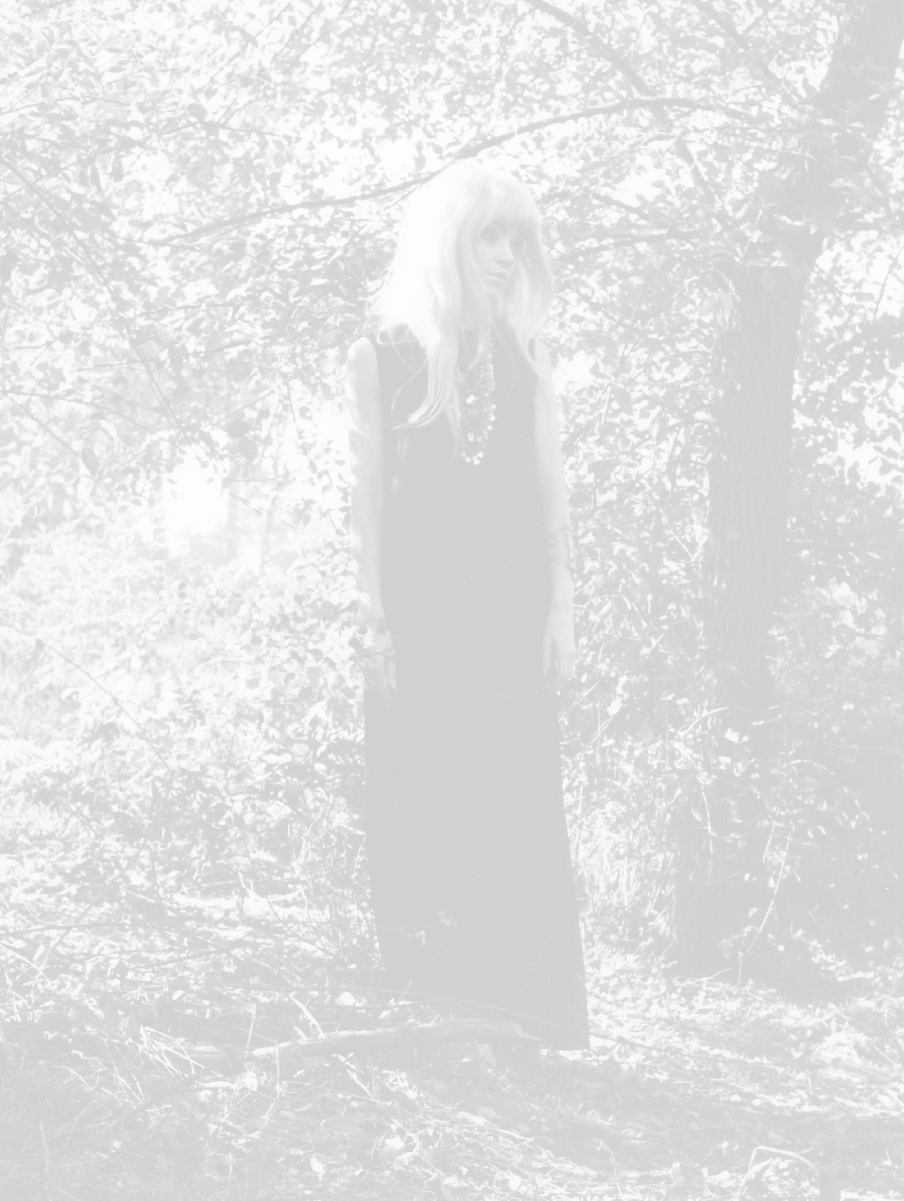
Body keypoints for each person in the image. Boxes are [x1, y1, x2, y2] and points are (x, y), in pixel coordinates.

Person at [344, 159, 589, 1049]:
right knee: (423, 796)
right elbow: (366, 501)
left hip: (511, 617)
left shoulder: (529, 359)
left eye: (518, 239)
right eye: (490, 234)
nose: (506, 254)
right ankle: (435, 1014)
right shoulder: (381, 357)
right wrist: (370, 617)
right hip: (421, 619)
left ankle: (523, 1022)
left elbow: (553, 495)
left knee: (513, 804)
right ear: (449, 241)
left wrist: (561, 606)